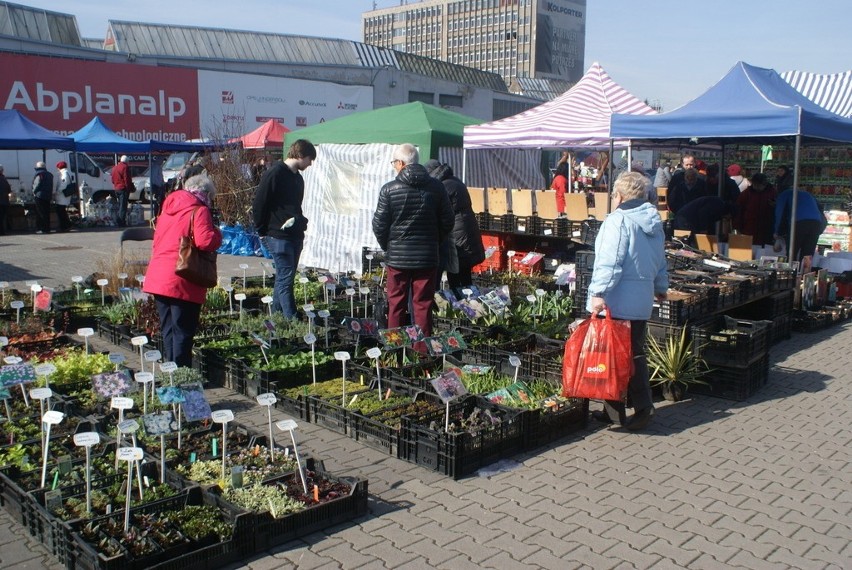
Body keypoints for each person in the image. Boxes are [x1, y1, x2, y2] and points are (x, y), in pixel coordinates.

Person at [586, 171, 668, 431]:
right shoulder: (653, 222)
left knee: (618, 356)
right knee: (630, 354)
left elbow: (610, 262)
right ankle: (613, 410)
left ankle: (644, 407)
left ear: (619, 196)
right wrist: (660, 286)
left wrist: (598, 293)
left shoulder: (618, 220)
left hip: (617, 300)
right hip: (640, 300)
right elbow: (660, 260)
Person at [372, 144, 454, 343]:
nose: (394, 167)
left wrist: (389, 247)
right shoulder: (437, 187)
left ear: (400, 163)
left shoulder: (389, 189)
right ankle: (422, 351)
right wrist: (434, 242)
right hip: (427, 257)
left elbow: (379, 225)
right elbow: (448, 221)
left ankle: (395, 349)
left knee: (396, 304)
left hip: (398, 259)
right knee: (423, 305)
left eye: (394, 163)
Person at [142, 174, 222, 367]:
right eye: (211, 197)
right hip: (182, 276)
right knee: (183, 331)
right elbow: (205, 242)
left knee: (168, 328)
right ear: (206, 194)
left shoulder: (167, 208)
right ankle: (181, 375)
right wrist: (218, 233)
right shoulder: (199, 210)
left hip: (159, 275)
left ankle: (171, 370)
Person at [252, 139, 316, 318]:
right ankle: (292, 319)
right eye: (310, 159)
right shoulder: (275, 173)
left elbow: (295, 206)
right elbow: (259, 203)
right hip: (278, 235)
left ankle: (276, 316)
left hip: (294, 235)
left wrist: (301, 222)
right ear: (301, 155)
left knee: (283, 278)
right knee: (286, 280)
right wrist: (261, 230)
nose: (310, 164)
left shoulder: (297, 178)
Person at [425, 159, 486, 295]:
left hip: (458, 237)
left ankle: (463, 308)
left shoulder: (443, 186)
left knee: (457, 279)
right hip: (465, 233)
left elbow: (439, 212)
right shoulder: (454, 181)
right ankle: (469, 307)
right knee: (464, 277)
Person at [773, 186, 827, 262]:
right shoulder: (808, 194)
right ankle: (805, 272)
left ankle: (791, 271)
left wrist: (776, 233)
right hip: (816, 223)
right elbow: (820, 209)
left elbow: (779, 213)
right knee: (807, 255)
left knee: (792, 253)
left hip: (799, 223)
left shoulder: (784, 195)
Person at [735, 172, 777, 246]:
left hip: (766, 227)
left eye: (759, 185)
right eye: (755, 185)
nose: (757, 187)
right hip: (749, 227)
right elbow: (739, 210)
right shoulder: (746, 194)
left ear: (764, 184)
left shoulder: (773, 193)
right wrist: (738, 226)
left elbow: (778, 209)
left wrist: (774, 205)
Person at [111, 155, 133, 227]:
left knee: (120, 205)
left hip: (116, 188)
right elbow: (127, 179)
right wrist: (128, 188)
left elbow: (112, 180)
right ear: (126, 161)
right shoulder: (125, 167)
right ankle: (121, 222)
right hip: (123, 188)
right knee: (123, 206)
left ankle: (118, 220)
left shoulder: (114, 168)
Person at [32, 161, 53, 234]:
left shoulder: (39, 174)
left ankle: (42, 228)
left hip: (40, 195)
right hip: (48, 195)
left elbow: (36, 184)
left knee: (40, 213)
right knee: (46, 212)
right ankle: (47, 228)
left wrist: (34, 192)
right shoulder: (50, 174)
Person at [53, 161, 74, 232]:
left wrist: (57, 192)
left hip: (62, 196)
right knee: (62, 211)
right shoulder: (66, 173)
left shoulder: (64, 174)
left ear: (59, 167)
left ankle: (64, 226)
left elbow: (63, 185)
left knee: (61, 212)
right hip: (63, 196)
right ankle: (66, 225)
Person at [0, 165, 10, 235]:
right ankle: (2, 231)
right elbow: (9, 189)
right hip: (4, 201)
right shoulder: (4, 178)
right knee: (2, 217)